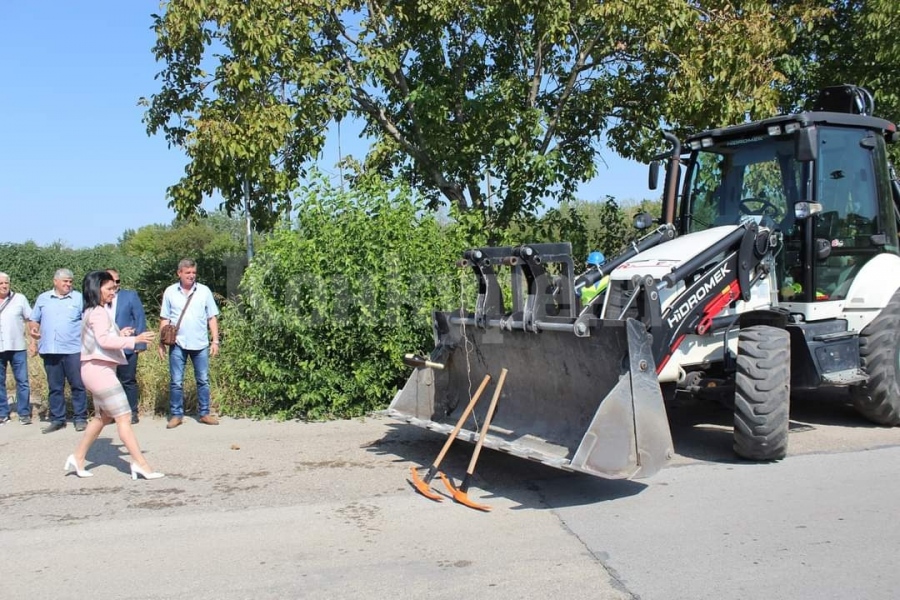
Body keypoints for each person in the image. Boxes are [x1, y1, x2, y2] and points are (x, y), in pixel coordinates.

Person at [64, 271, 163, 479]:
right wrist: (134, 340)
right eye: (109, 288)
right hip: (99, 371)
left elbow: (102, 337)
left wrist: (121, 334)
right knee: (124, 416)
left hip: (95, 369)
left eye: (114, 288)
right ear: (96, 289)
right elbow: (104, 341)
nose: (113, 292)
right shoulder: (98, 312)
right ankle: (140, 464)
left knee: (103, 417)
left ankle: (78, 456)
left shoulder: (92, 310)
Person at [158, 258, 221, 429]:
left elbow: (212, 317)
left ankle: (205, 413)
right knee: (176, 381)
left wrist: (215, 340)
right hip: (178, 343)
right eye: (188, 273)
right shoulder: (170, 292)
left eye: (194, 272)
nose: (191, 276)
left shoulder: (204, 291)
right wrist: (161, 342)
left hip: (200, 343)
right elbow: (165, 318)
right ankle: (176, 415)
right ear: (179, 273)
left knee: (203, 379)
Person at [29, 268, 88, 433]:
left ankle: (80, 418)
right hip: (50, 349)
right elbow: (34, 320)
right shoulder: (43, 298)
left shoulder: (78, 298)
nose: (68, 284)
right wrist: (33, 330)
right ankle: (57, 419)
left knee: (77, 385)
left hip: (73, 349)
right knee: (55, 387)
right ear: (55, 281)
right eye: (65, 281)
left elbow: (89, 321)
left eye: (70, 281)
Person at [106, 269, 147, 424]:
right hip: (107, 348)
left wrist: (140, 343)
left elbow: (139, 318)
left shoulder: (130, 296)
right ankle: (110, 413)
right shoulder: (99, 298)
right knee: (109, 382)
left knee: (128, 380)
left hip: (128, 346)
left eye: (118, 281)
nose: (115, 284)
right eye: (112, 281)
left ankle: (132, 412)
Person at [0, 273, 35, 424]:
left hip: (17, 346)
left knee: (22, 381)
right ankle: (3, 412)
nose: (4, 286)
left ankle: (24, 413)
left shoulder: (19, 299)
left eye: (6, 282)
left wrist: (33, 342)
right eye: (1, 283)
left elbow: (31, 319)